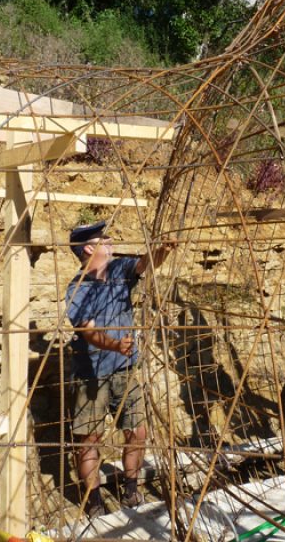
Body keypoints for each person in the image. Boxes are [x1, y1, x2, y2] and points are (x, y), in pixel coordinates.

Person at [66, 221, 175, 518]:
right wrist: (115, 345)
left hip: (124, 370)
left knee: (137, 431)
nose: (111, 241)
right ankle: (94, 501)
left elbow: (144, 263)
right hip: (91, 375)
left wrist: (163, 249)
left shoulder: (118, 271)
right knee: (89, 439)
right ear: (88, 248)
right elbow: (88, 332)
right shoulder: (77, 289)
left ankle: (130, 490)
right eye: (104, 239)